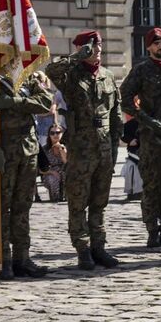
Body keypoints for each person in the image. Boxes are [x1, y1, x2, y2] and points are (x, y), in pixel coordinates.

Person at [0, 32, 52, 279]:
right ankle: (3, 259)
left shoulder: (26, 74)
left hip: (28, 149)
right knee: (0, 207)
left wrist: (13, 101)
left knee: (23, 206)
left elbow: (45, 102)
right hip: (2, 150)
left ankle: (22, 258)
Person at [46, 30, 124, 270]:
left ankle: (98, 247)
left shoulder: (108, 77)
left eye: (98, 45)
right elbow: (50, 70)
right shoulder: (71, 75)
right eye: (91, 46)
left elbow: (116, 115)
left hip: (103, 149)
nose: (97, 49)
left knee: (99, 202)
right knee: (78, 202)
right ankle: (82, 249)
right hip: (80, 149)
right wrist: (77, 57)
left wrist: (112, 148)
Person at [120, 27, 161, 248]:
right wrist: (145, 119)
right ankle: (152, 230)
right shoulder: (141, 71)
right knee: (151, 185)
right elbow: (126, 98)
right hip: (150, 137)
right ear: (149, 46)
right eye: (156, 43)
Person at [41, 125, 67, 202]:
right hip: (49, 172)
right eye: (52, 133)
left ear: (62, 134)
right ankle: (55, 198)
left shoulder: (66, 146)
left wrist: (62, 149)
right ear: (49, 135)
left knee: (67, 175)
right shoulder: (45, 149)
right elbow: (40, 169)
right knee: (52, 178)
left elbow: (66, 162)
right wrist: (52, 172)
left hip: (64, 171)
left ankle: (66, 196)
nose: (55, 135)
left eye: (58, 133)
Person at [120, 114, 142, 201]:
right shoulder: (131, 124)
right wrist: (130, 140)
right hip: (134, 153)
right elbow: (123, 134)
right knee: (132, 168)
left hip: (151, 151)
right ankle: (134, 193)